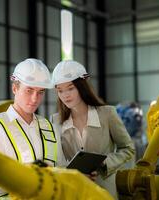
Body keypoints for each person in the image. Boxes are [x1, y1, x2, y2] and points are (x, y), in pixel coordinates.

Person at [0, 58, 67, 200]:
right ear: (15, 88)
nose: (35, 98)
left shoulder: (48, 127)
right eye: (29, 90)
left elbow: (60, 168)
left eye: (40, 92)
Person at [51, 60, 135, 199]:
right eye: (60, 90)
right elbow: (57, 161)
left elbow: (128, 149)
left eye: (70, 88)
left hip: (104, 192)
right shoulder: (56, 121)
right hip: (74, 192)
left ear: (82, 86)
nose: (65, 95)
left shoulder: (107, 114)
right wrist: (73, 174)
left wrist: (104, 163)